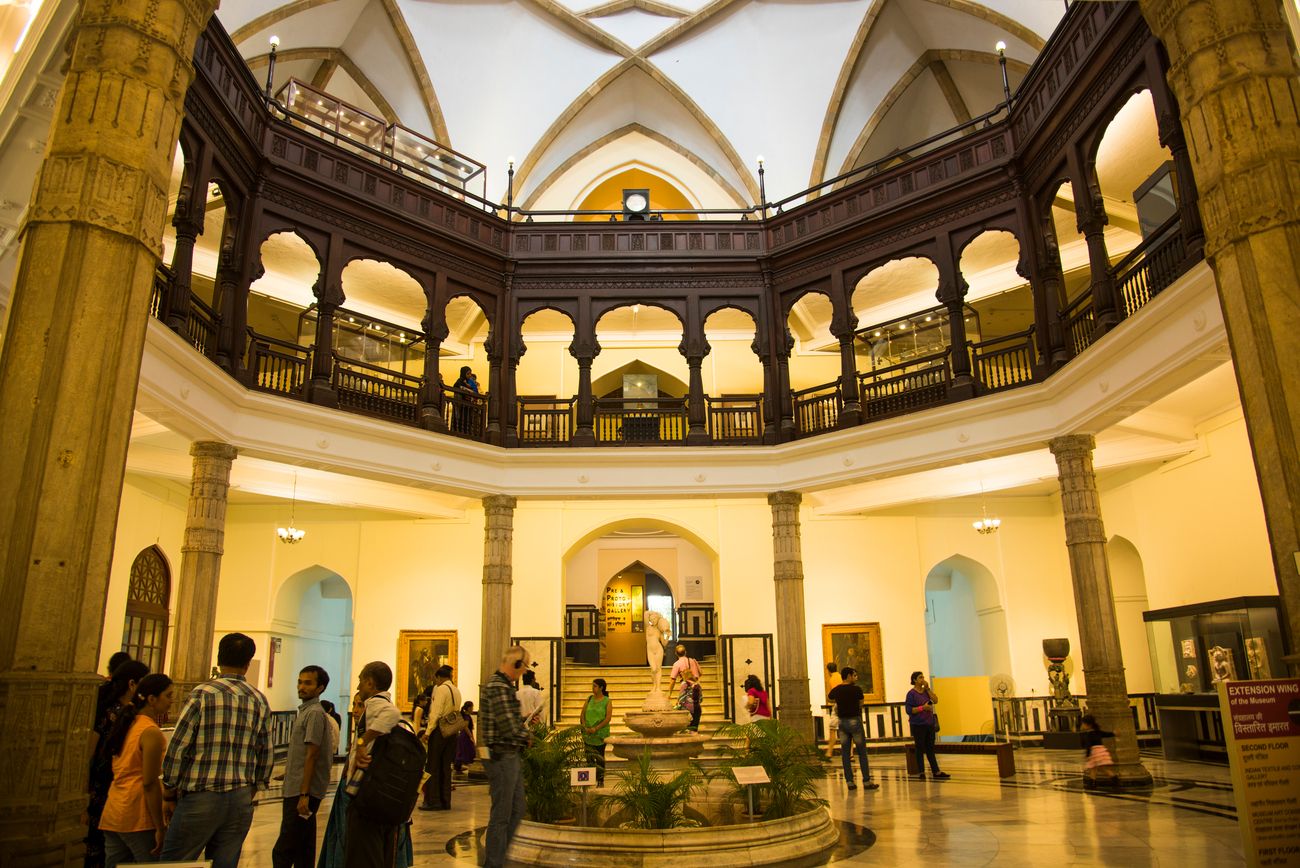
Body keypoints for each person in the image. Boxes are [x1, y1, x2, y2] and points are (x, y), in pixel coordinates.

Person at [160, 633, 272, 868]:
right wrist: (253, 786)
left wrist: (169, 790)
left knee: (176, 862)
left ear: (219, 658)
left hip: (201, 795)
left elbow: (179, 747)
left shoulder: (202, 694)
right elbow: (265, 752)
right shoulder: (259, 699)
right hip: (240, 795)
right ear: (247, 663)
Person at [317, 694, 413, 868]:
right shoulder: (363, 731)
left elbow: (392, 713)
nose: (355, 710)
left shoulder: (378, 734)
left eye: (360, 705)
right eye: (354, 705)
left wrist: (363, 741)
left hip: (371, 800)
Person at [99, 673, 174, 867]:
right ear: (151, 699)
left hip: (114, 809)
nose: (172, 701)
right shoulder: (150, 732)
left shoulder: (127, 723)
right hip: (137, 813)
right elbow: (149, 782)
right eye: (168, 695)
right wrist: (160, 826)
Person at [272, 666, 338, 868]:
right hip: (298, 788)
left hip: (302, 793)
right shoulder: (307, 711)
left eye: (308, 683)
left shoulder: (315, 714)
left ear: (320, 688)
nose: (301, 687)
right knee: (303, 848)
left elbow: (312, 754)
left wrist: (304, 794)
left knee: (284, 849)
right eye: (300, 682)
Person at [88, 659, 150, 868]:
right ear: (132, 684)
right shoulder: (111, 712)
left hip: (117, 786)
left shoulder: (131, 713)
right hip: (106, 784)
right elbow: (92, 751)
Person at [346, 661, 405, 867]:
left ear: (370, 683)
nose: (358, 687)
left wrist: (363, 741)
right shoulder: (377, 703)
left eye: (360, 681)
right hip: (379, 795)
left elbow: (392, 713)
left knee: (365, 854)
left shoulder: (376, 703)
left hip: (368, 795)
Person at [480, 645, 533, 868]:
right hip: (502, 756)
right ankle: (494, 863)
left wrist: (525, 722)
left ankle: (500, 858)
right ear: (516, 664)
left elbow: (509, 722)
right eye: (523, 668)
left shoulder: (504, 686)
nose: (523, 673)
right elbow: (508, 727)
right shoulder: (498, 687)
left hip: (509, 754)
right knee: (502, 814)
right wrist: (527, 735)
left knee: (517, 808)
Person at [418, 664, 462, 811]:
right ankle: (445, 800)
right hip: (452, 731)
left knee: (433, 766)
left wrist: (428, 732)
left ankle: (432, 801)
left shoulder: (442, 689)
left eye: (436, 679)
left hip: (439, 731)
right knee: (445, 767)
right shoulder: (456, 690)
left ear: (439, 677)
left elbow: (436, 713)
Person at [827, 667, 879, 790]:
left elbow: (829, 698)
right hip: (855, 721)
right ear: (849, 676)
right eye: (854, 675)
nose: (855, 677)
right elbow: (861, 703)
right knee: (862, 752)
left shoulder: (837, 689)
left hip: (842, 722)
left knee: (845, 753)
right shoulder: (856, 689)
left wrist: (838, 702)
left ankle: (850, 782)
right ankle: (866, 781)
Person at [905, 671, 949, 780]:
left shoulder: (926, 692)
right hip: (918, 725)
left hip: (929, 724)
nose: (923, 679)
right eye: (920, 677)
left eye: (923, 677)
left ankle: (936, 771)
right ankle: (921, 772)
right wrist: (922, 708)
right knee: (920, 748)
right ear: (914, 680)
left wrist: (928, 689)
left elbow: (935, 700)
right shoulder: (911, 694)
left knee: (930, 748)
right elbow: (909, 710)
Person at [580, 679, 613, 785]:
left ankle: (600, 780)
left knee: (599, 758)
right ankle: (589, 779)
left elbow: (607, 718)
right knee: (589, 757)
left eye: (594, 686)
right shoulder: (589, 699)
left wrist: (596, 728)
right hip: (587, 733)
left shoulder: (607, 701)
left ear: (601, 688)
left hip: (600, 733)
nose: (592, 688)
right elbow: (582, 714)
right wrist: (584, 726)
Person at [665, 645, 703, 731]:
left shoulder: (677, 664)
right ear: (686, 652)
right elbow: (700, 673)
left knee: (686, 726)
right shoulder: (693, 661)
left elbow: (673, 679)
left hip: (687, 703)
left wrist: (669, 694)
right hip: (696, 695)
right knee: (694, 727)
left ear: (676, 654)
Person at [644, 612, 668, 694]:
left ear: (657, 619)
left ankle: (658, 687)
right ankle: (654, 685)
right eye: (651, 620)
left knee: (658, 669)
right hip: (650, 650)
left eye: (654, 619)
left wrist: (667, 636)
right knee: (653, 669)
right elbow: (645, 614)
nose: (652, 621)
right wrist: (656, 613)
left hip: (659, 650)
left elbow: (664, 643)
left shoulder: (660, 630)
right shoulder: (648, 627)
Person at [824, 662, 842, 760]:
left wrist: (829, 699)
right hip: (845, 704)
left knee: (832, 729)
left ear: (828, 670)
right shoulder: (840, 676)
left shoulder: (832, 679)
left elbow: (833, 695)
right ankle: (851, 754)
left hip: (837, 705)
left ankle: (829, 752)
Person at [453, 701, 476, 776]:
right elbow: (465, 727)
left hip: (463, 735)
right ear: (469, 708)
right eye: (472, 707)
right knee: (466, 750)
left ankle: (458, 766)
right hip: (465, 736)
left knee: (461, 751)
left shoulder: (464, 715)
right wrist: (471, 736)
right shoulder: (466, 716)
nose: (473, 709)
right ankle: (459, 766)